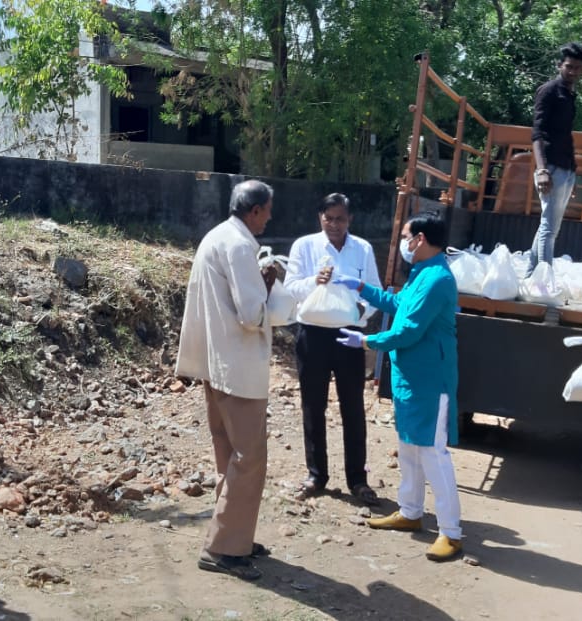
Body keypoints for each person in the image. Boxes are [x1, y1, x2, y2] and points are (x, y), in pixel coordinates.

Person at [331, 212, 464, 563]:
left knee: (433, 454)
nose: (404, 243)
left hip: (430, 381)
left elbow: (408, 332)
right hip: (411, 378)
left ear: (419, 239)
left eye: (406, 236)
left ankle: (451, 533)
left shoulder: (437, 279)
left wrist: (366, 341)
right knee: (409, 448)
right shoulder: (422, 274)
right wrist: (360, 287)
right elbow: (399, 305)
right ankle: (410, 511)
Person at [176, 179, 279, 581]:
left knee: (229, 454)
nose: (270, 217)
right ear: (254, 210)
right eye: (268, 210)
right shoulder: (238, 245)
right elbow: (251, 314)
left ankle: (234, 535)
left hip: (215, 364)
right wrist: (269, 286)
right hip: (237, 367)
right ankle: (223, 547)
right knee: (249, 458)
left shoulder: (217, 236)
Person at [283, 193, 383, 506]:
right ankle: (316, 474)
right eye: (328, 218)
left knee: (353, 407)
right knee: (313, 406)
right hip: (312, 334)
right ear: (320, 218)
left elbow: (373, 293)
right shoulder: (304, 246)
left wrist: (358, 312)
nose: (334, 225)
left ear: (349, 220)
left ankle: (358, 480)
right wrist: (316, 281)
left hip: (348, 336)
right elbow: (290, 288)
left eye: (340, 219)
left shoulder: (362, 248)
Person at [527, 42, 582, 274]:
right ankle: (544, 283)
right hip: (550, 168)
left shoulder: (570, 95)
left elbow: (565, 136)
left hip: (565, 170)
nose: (573, 71)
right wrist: (542, 170)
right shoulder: (549, 91)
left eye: (578, 68)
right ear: (559, 65)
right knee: (549, 229)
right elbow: (537, 133)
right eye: (569, 67)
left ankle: (530, 276)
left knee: (549, 226)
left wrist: (573, 174)